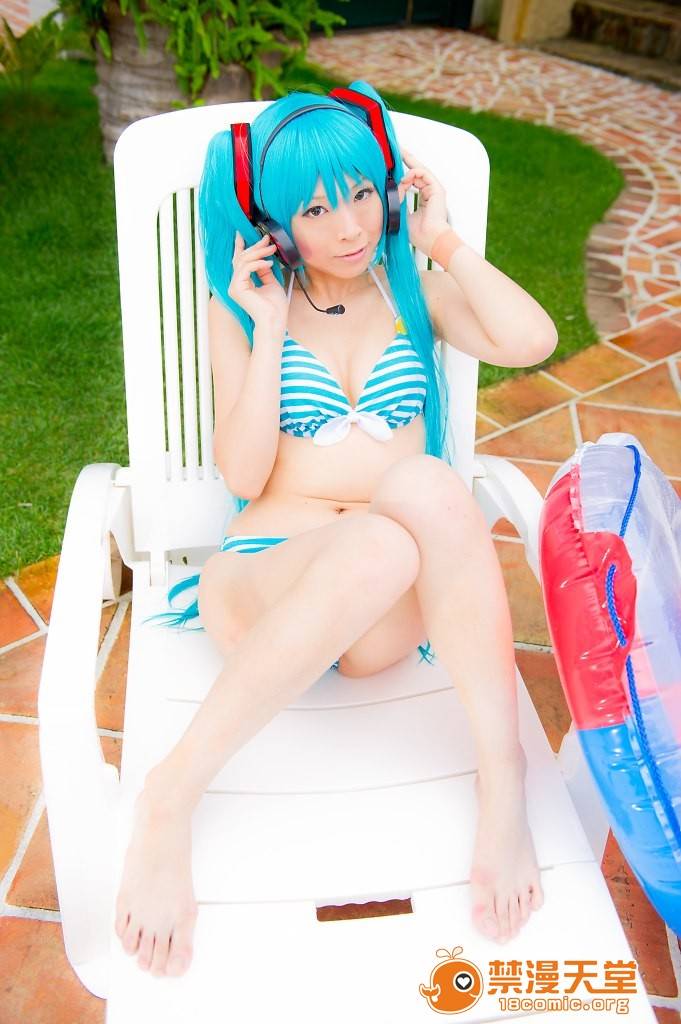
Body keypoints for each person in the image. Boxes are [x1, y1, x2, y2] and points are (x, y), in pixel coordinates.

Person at [115, 79, 559, 979]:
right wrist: (268, 327)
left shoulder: (411, 289)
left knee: (423, 493)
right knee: (390, 533)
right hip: (265, 578)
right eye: (315, 210)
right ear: (277, 226)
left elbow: (531, 341)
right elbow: (244, 477)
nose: (350, 226)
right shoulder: (242, 309)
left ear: (387, 189)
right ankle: (171, 795)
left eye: (360, 193)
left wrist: (440, 241)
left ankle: (501, 775)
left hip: (378, 616)